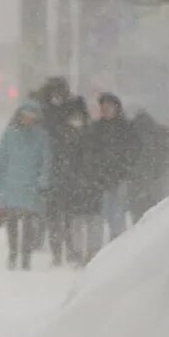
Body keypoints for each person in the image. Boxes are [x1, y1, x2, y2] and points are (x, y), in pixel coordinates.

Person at [0, 100, 51, 271]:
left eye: (31, 117)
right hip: (11, 185)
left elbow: (46, 160)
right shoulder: (9, 134)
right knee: (11, 222)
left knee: (28, 223)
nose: (28, 120)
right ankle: (12, 253)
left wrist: (42, 181)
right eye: (25, 116)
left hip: (30, 186)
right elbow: (2, 160)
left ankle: (26, 256)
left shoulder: (41, 136)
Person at [37, 77, 78, 266]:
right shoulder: (47, 114)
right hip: (55, 172)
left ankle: (67, 248)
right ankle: (59, 251)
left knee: (64, 215)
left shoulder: (50, 114)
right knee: (57, 215)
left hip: (64, 171)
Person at [89, 93, 141, 241]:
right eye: (103, 107)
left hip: (120, 177)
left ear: (116, 108)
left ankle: (117, 242)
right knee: (102, 214)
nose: (106, 110)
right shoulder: (96, 129)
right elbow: (91, 152)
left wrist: (126, 167)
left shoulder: (126, 128)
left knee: (118, 213)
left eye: (109, 107)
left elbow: (134, 150)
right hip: (102, 179)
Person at [63, 97, 107, 265]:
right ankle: (82, 252)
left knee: (89, 219)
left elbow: (97, 158)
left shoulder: (91, 134)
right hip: (79, 184)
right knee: (80, 220)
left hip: (88, 183)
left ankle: (90, 252)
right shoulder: (76, 135)